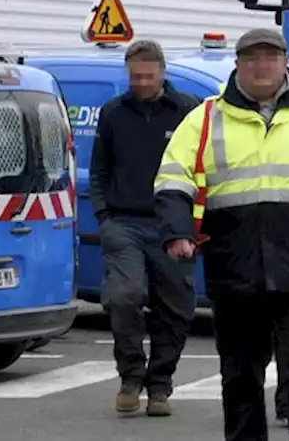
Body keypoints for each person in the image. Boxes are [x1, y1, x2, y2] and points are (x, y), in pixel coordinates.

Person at [154, 28, 289, 441]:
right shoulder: (203, 119)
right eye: (252, 58)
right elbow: (172, 181)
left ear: (284, 63)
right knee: (240, 378)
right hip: (234, 268)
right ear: (237, 64)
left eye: (270, 57)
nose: (262, 66)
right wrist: (177, 231)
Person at [89, 39, 200, 416]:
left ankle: (160, 386)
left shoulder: (189, 111)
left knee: (175, 309)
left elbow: (202, 169)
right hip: (123, 222)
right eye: (135, 76)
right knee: (124, 296)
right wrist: (104, 217)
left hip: (173, 224)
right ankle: (130, 375)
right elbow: (99, 169)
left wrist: (193, 222)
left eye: (148, 76)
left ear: (162, 73)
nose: (141, 83)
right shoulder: (113, 113)